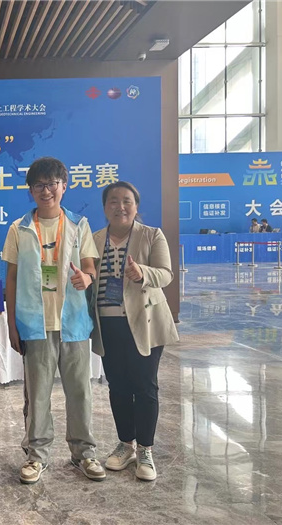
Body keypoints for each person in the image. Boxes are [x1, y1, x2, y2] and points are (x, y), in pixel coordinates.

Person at [3, 156, 104, 484]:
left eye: (52, 184)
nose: (46, 191)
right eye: (39, 185)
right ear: (31, 190)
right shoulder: (19, 229)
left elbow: (90, 266)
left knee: (80, 392)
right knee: (37, 395)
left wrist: (86, 278)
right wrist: (11, 325)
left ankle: (84, 452)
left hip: (73, 323)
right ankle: (37, 455)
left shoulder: (79, 224)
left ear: (64, 186)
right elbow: (11, 279)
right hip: (35, 324)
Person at [90, 181, 179, 482]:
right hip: (108, 324)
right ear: (105, 207)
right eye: (113, 201)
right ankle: (125, 444)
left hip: (145, 323)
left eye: (126, 200)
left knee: (144, 386)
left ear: (136, 206)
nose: (120, 206)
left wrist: (143, 272)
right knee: (117, 386)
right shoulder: (94, 239)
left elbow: (166, 274)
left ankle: (145, 450)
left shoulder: (152, 235)